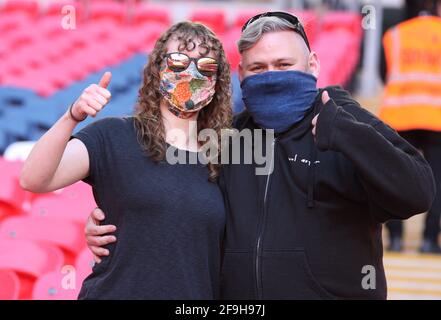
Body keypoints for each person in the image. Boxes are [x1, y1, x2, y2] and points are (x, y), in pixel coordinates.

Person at [85, 12, 436, 299]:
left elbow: (416, 193)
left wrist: (346, 135)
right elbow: (175, 196)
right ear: (241, 74)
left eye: (284, 65)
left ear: (312, 65)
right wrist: (118, 219)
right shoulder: (227, 137)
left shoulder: (347, 121)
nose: (271, 77)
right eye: (258, 68)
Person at [20, 21, 233, 299]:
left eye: (204, 66)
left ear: (217, 82)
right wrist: (72, 115)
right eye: (179, 61)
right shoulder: (114, 135)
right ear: (157, 70)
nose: (191, 74)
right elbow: (33, 178)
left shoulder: (227, 156)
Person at [379, 0, 441, 254]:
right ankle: (428, 239)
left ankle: (395, 238)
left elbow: (385, 74)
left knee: (397, 177)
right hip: (437, 117)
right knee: (437, 180)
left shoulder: (394, 35)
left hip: (399, 115)